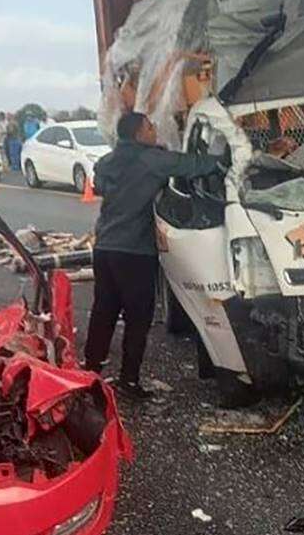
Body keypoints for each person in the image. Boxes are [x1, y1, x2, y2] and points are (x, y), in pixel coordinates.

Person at [84, 111, 223, 399]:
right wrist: (230, 159)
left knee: (104, 310)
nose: (154, 129)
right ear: (138, 134)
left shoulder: (108, 161)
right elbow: (193, 165)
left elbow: (99, 183)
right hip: (134, 251)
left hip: (105, 247)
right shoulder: (150, 159)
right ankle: (129, 381)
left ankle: (90, 371)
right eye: (149, 126)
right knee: (138, 317)